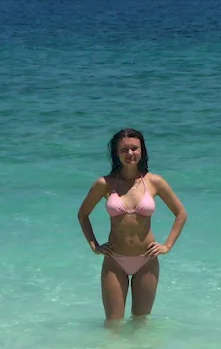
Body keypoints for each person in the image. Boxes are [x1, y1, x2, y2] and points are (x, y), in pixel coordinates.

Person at [77, 128, 188, 321]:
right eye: (124, 150)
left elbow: (181, 214)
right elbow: (83, 214)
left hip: (147, 260)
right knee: (113, 324)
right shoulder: (105, 183)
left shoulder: (154, 182)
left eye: (134, 148)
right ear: (116, 153)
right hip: (114, 261)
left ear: (142, 150)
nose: (130, 154)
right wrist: (94, 245)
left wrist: (167, 246)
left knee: (141, 323)